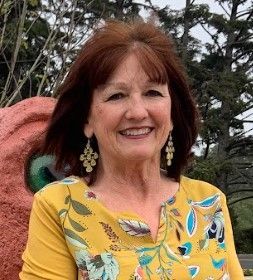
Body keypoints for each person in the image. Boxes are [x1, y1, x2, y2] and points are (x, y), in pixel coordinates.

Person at [20, 20, 244, 280]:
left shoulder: (208, 203)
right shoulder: (59, 207)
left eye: (152, 93)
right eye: (116, 96)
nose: (137, 112)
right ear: (87, 120)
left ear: (172, 113)